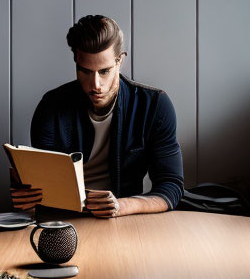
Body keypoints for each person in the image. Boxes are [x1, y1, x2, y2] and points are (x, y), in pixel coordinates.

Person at [10, 14, 184, 217]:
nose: (95, 85)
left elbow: (171, 187)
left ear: (121, 61)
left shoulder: (154, 105)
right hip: (63, 221)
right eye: (85, 71)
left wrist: (120, 206)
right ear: (76, 62)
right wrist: (27, 196)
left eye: (104, 71)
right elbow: (43, 188)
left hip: (124, 220)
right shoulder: (51, 107)